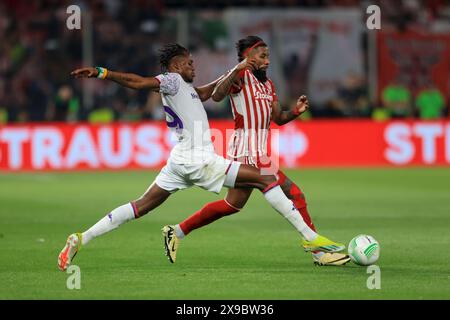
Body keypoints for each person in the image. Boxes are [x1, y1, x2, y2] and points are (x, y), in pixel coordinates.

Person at [58, 43, 345, 271]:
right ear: (175, 65)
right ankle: (311, 240)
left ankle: (82, 237)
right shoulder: (170, 80)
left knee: (140, 206)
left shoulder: (188, 89)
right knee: (265, 177)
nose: (194, 65)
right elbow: (138, 82)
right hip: (198, 160)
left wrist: (237, 67)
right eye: (189, 62)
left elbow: (209, 91)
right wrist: (102, 72)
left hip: (178, 161)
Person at [165, 36, 350, 266]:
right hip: (245, 150)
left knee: (232, 205)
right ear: (248, 58)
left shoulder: (268, 85)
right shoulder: (240, 76)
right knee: (295, 194)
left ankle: (177, 231)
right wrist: (237, 68)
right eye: (262, 56)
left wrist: (295, 111)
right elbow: (217, 95)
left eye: (268, 56)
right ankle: (318, 251)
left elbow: (278, 118)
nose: (267, 61)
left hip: (261, 153)